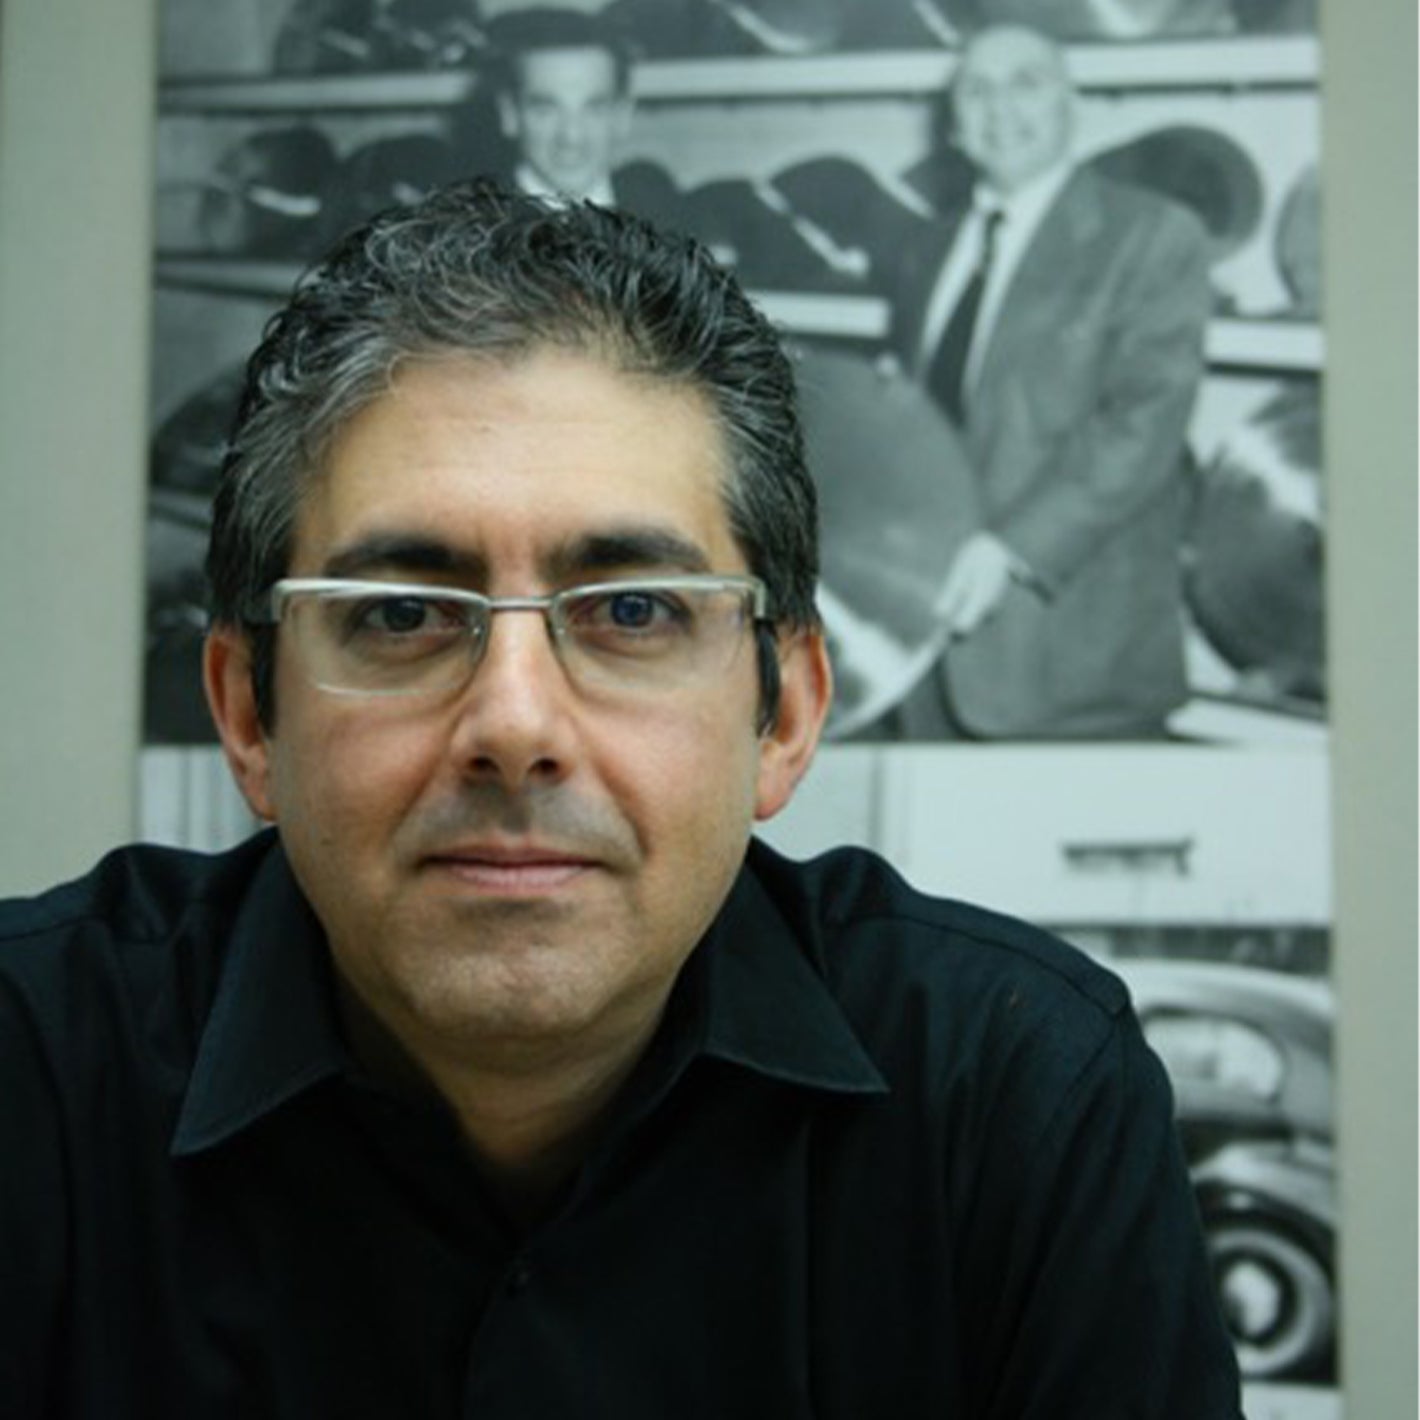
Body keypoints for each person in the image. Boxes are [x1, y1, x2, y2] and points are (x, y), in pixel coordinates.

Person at [0, 179, 1242, 1416]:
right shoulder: (30, 1078)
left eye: (633, 611)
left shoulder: (1018, 1101)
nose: (515, 725)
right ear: (247, 714)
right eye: (402, 613)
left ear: (786, 715)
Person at [888, 22, 1212, 739]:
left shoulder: (1152, 235)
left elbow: (1143, 424)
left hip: (1071, 663)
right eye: (977, 91)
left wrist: (1009, 550)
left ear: (1073, 103)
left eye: (1026, 84)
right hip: (924, 649)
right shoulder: (925, 249)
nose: (1001, 108)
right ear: (954, 123)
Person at [476, 5, 681, 222]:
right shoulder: (477, 226)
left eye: (594, 108)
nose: (571, 137)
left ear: (623, 114)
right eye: (545, 110)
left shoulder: (663, 212)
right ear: (509, 114)